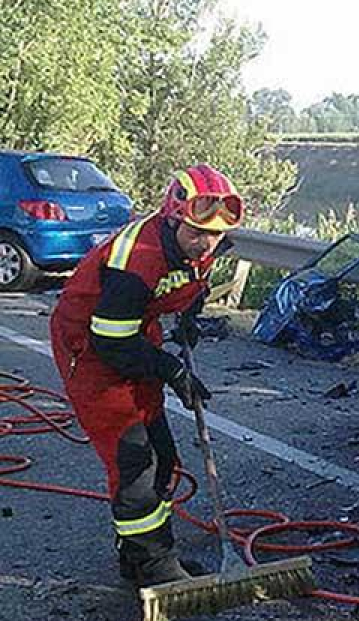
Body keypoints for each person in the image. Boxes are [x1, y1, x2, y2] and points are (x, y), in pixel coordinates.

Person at [48, 164, 241, 587]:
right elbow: (110, 340)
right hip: (92, 345)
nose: (206, 243)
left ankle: (138, 554)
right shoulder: (136, 260)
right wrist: (171, 370)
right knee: (135, 461)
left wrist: (189, 318)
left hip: (136, 331)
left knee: (164, 456)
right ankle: (154, 566)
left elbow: (193, 283)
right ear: (173, 220)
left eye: (215, 235)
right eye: (197, 233)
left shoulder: (200, 246)